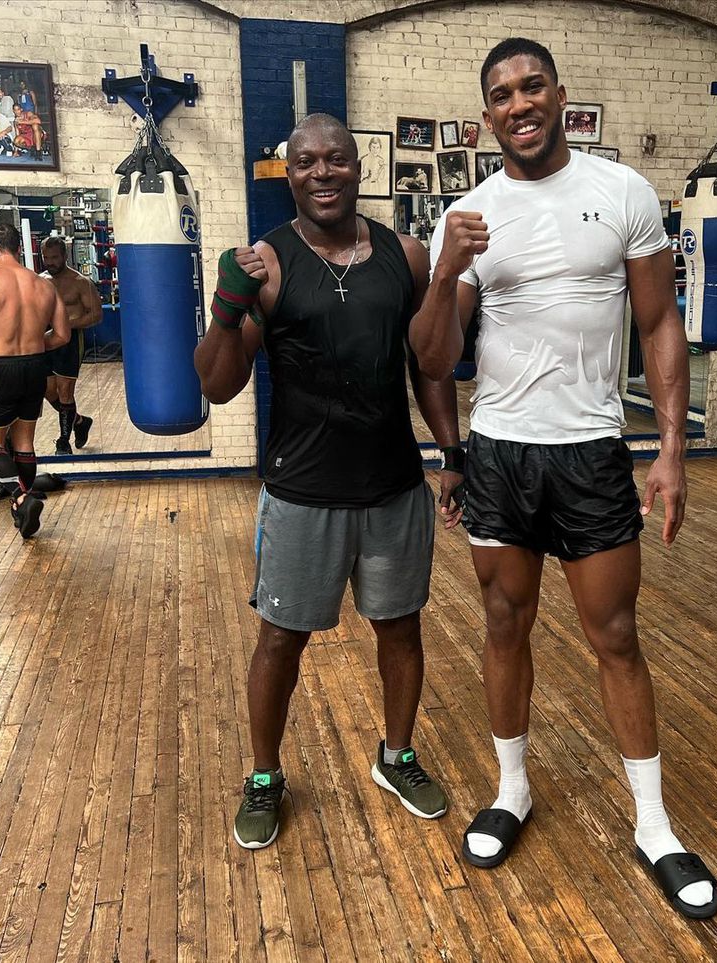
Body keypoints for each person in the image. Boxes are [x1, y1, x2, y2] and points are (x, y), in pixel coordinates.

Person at [409, 38, 717, 920]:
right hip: (502, 453)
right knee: (504, 621)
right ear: (487, 116)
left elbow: (658, 321)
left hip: (590, 452)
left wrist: (669, 448)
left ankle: (654, 826)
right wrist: (444, 271)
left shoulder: (618, 192)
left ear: (560, 96)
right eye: (502, 94)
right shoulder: (468, 213)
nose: (519, 103)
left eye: (532, 85)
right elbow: (434, 359)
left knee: (614, 634)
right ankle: (513, 791)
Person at [194, 113, 465, 851]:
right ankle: (263, 775)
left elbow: (427, 367)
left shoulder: (405, 256)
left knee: (400, 628)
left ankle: (396, 756)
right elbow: (218, 385)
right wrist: (225, 308)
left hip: (392, 486)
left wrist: (452, 451)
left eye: (336, 160)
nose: (322, 172)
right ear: (290, 171)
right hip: (302, 490)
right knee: (280, 639)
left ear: (357, 168)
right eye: (306, 161)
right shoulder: (268, 263)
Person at [0, 218, 70, 538]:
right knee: (24, 443)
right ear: (20, 248)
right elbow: (62, 334)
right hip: (35, 366)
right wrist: (33, 347)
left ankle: (22, 497)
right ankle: (23, 509)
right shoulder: (44, 285)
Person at [40, 236, 99, 454]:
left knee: (65, 392)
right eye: (46, 258)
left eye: (54, 257)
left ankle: (63, 441)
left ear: (65, 256)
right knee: (47, 391)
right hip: (45, 339)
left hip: (71, 341)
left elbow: (96, 315)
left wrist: (65, 325)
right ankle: (80, 422)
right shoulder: (40, 281)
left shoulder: (81, 282)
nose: (50, 262)